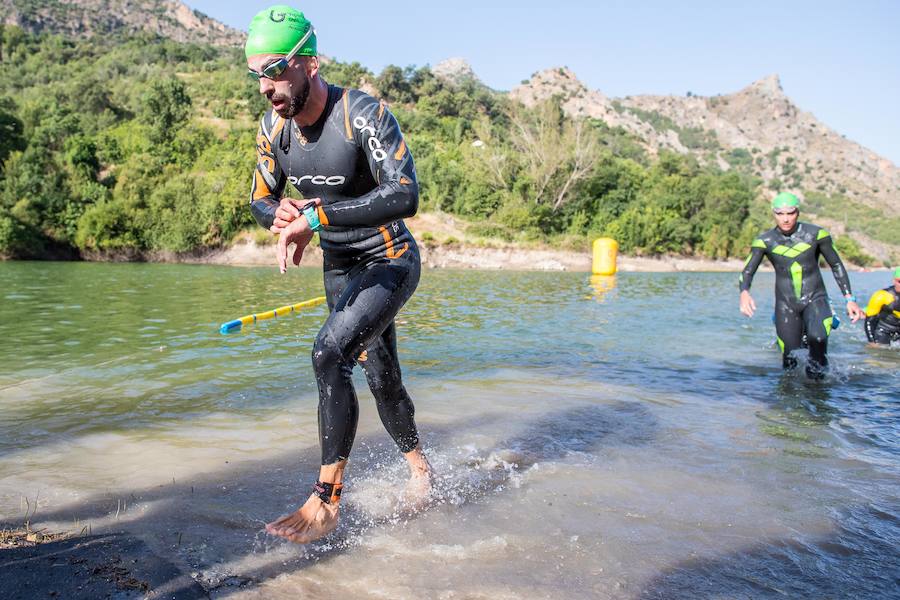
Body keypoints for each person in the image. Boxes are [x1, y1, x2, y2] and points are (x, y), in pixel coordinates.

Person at [245, 5, 432, 544]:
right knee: (382, 376)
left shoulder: (362, 115)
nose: (266, 87)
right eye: (257, 74)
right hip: (341, 268)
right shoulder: (273, 128)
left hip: (389, 259)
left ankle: (326, 500)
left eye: (275, 70)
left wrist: (316, 217)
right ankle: (422, 470)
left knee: (328, 354)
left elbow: (404, 193)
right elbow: (260, 197)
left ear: (310, 63)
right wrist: (278, 214)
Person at [739, 192, 863, 378]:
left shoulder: (817, 235)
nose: (785, 219)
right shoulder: (765, 241)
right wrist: (744, 292)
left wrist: (849, 299)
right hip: (786, 304)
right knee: (790, 359)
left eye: (790, 213)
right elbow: (747, 271)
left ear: (798, 212)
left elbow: (836, 265)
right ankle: (790, 395)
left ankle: (819, 389)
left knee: (818, 340)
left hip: (815, 298)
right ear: (773, 214)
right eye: (780, 213)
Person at [863, 267, 900, 345]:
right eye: (899, 281)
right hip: (884, 330)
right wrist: (872, 342)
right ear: (894, 281)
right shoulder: (881, 296)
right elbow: (869, 321)